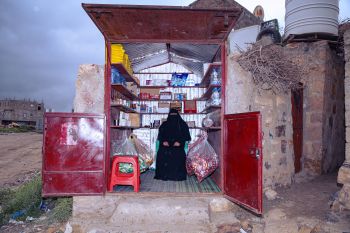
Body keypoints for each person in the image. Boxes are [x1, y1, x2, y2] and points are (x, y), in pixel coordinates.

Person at [154, 108, 191, 181]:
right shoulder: (164, 125)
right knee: (162, 153)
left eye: (175, 115)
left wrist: (180, 142)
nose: (173, 117)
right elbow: (160, 136)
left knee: (177, 154)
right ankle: (163, 175)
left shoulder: (182, 124)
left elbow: (186, 136)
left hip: (178, 146)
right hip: (165, 146)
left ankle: (176, 176)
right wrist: (163, 141)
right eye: (171, 115)